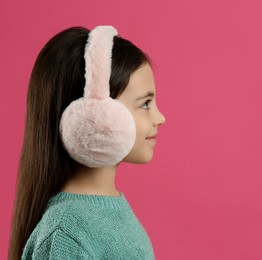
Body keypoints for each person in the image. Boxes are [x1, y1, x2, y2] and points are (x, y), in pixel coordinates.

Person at [8, 25, 166, 260]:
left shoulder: (105, 210)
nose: (160, 118)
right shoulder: (68, 230)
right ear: (94, 116)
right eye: (145, 104)